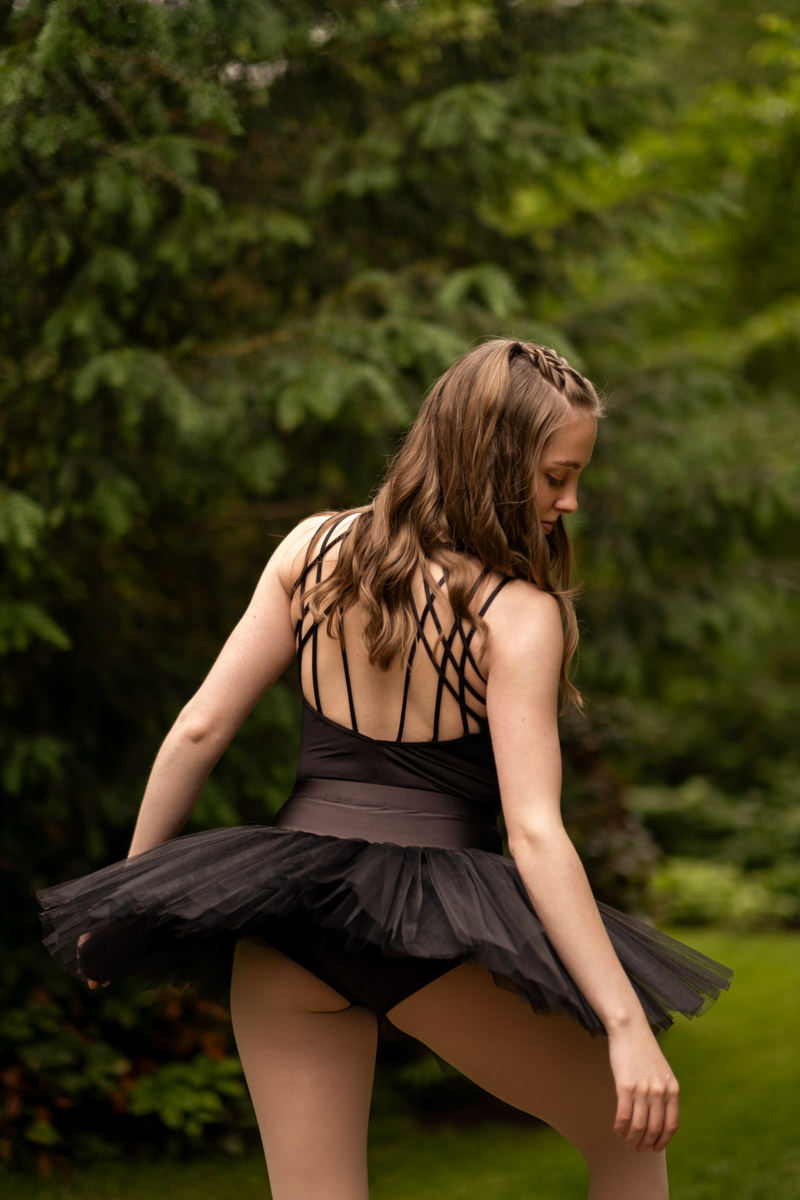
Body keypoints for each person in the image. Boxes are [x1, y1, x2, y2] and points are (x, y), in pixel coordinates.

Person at [38, 338, 732, 1200]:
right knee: (629, 1147)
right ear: (493, 462)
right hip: (427, 930)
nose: (571, 501)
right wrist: (625, 1025)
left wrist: (130, 900)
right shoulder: (517, 613)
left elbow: (198, 729)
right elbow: (533, 830)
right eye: (556, 477)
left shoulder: (310, 550)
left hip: (285, 920)